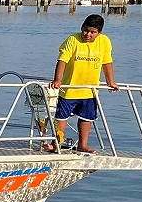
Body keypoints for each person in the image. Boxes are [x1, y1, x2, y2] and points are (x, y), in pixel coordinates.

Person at [45, 14, 118, 154]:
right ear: (81, 28)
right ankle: (56, 144)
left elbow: (107, 62)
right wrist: (57, 80)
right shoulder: (73, 39)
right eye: (85, 30)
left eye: (92, 32)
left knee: (86, 118)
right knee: (61, 117)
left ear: (99, 32)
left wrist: (110, 82)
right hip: (70, 89)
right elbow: (62, 60)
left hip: (90, 90)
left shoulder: (104, 41)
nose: (88, 34)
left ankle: (82, 145)